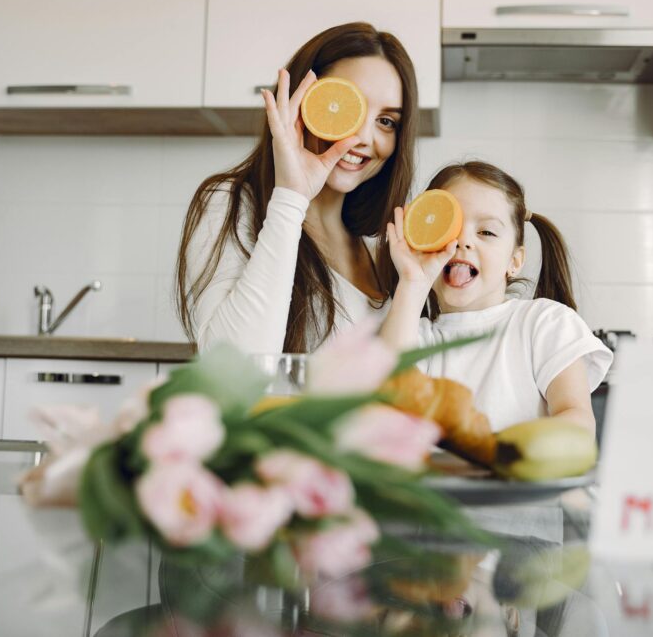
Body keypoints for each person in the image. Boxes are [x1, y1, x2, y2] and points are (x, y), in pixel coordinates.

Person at [175, 22, 420, 354]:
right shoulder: (229, 205)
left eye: (386, 121)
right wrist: (291, 196)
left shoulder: (379, 249)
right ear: (298, 103)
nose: (363, 137)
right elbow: (236, 369)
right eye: (345, 106)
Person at [380, 161, 613, 435]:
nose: (462, 242)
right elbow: (386, 407)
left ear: (514, 261)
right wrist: (412, 282)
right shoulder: (416, 337)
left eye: (486, 232)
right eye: (448, 229)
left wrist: (501, 450)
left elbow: (577, 419)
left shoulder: (545, 323)